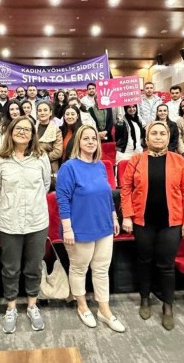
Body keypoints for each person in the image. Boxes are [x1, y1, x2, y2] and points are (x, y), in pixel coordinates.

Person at [120, 121, 184, 331]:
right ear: (147, 138)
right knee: (144, 260)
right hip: (143, 221)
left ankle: (168, 306)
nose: (158, 137)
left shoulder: (179, 161)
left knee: (166, 265)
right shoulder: (136, 160)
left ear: (168, 137)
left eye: (163, 133)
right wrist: (127, 216)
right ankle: (145, 298)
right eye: (154, 133)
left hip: (171, 222)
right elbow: (125, 189)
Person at [56, 125, 125, 332]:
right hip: (79, 228)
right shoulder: (69, 167)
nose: (90, 142)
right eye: (85, 138)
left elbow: (107, 194)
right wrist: (67, 229)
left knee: (102, 269)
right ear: (78, 142)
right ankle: (82, 305)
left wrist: (113, 216)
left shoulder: (100, 165)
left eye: (93, 138)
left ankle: (104, 310)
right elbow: (63, 199)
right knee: (79, 268)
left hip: (103, 225)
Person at [0, 116, 51, 334]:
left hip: (36, 221)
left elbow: (45, 185)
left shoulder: (41, 156)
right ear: (11, 131)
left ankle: (32, 305)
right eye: (19, 128)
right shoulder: (0, 159)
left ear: (33, 135)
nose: (23, 132)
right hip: (9, 221)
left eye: (27, 129)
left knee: (33, 267)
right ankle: (11, 307)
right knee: (10, 268)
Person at [35, 101, 63, 184]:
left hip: (50, 168)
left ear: (50, 112)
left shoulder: (56, 130)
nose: (42, 113)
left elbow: (58, 152)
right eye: (39, 111)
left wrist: (41, 158)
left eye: (45, 110)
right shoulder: (32, 128)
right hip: (32, 166)